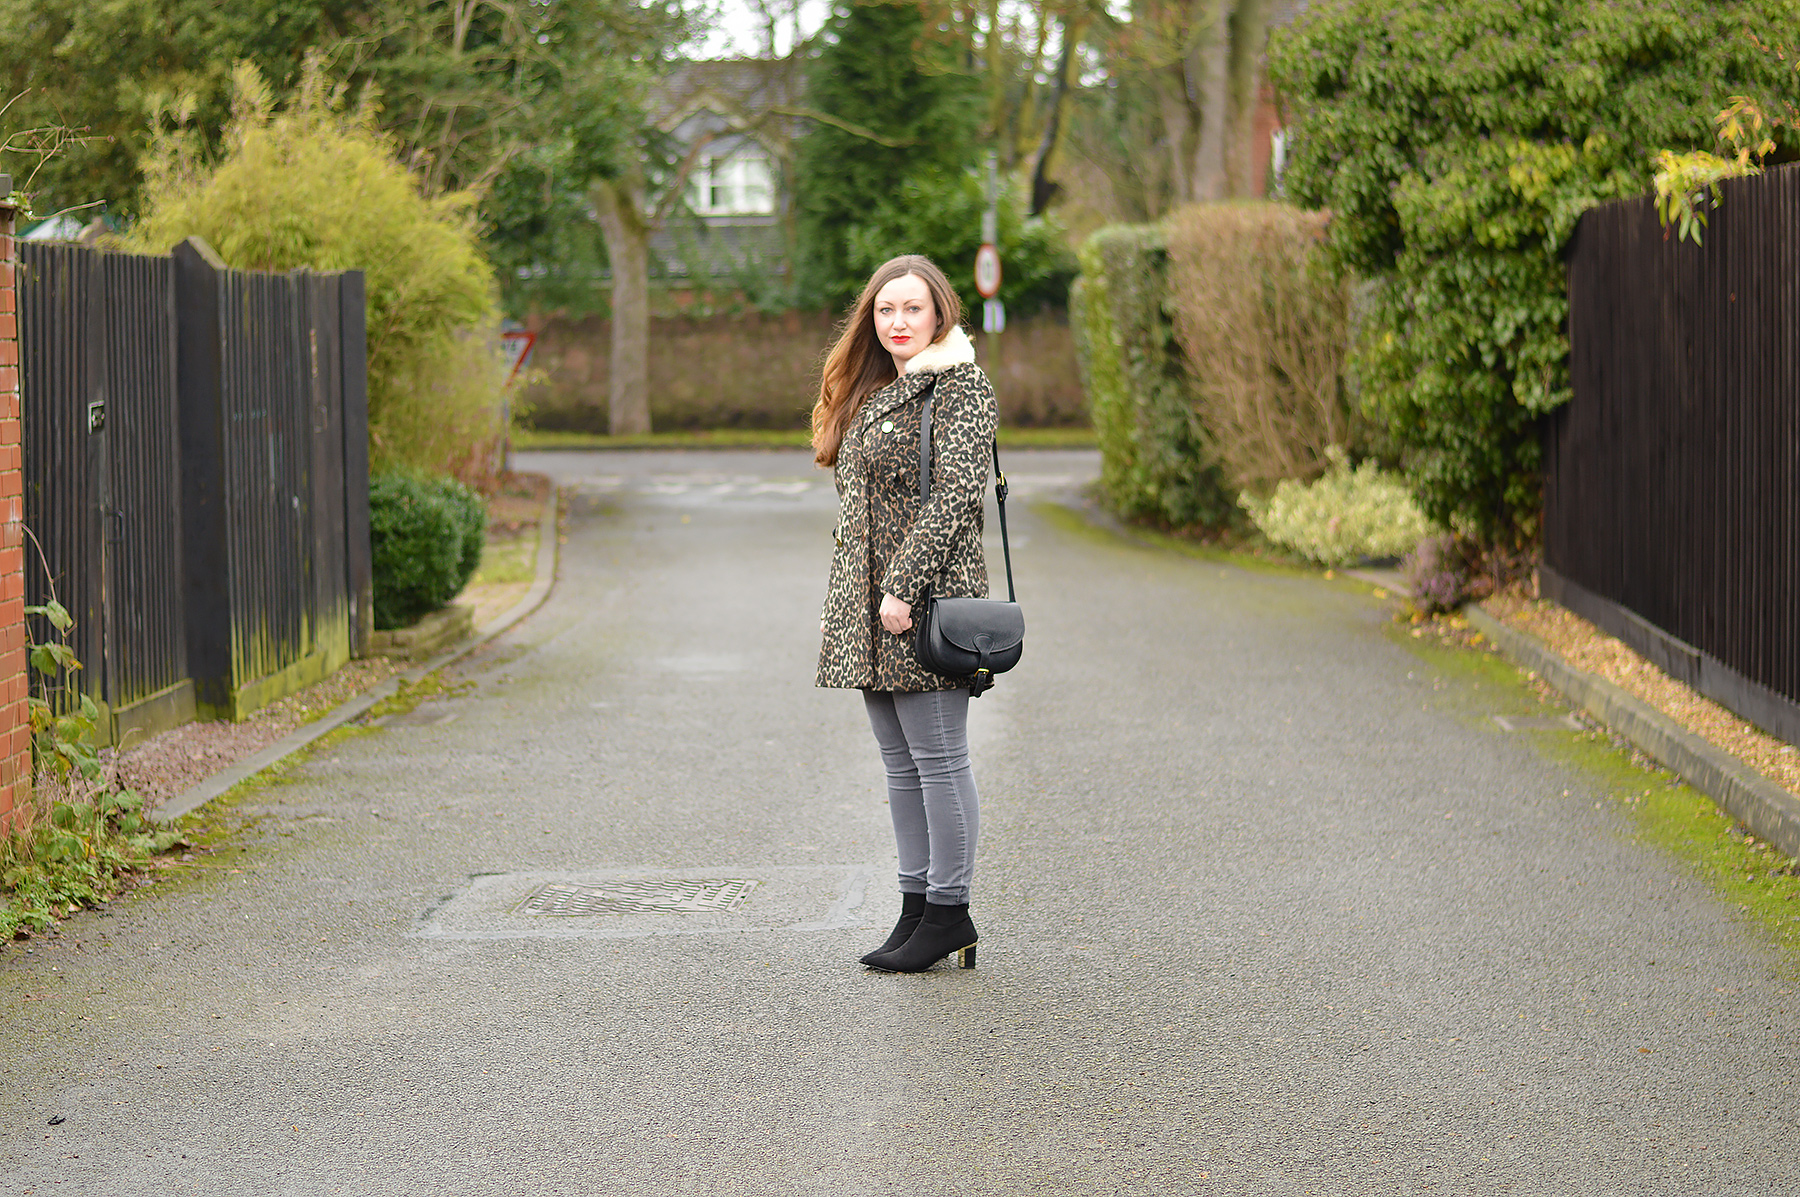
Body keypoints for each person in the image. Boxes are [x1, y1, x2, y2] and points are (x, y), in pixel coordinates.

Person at [813, 254, 999, 974]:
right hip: (868, 605)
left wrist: (903, 586)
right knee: (900, 764)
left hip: (924, 603)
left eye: (912, 308)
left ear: (940, 312)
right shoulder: (876, 388)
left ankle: (950, 911)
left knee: (940, 758)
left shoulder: (962, 386)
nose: (897, 322)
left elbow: (956, 495)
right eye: (885, 310)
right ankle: (916, 905)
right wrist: (867, 597)